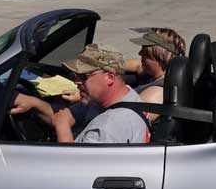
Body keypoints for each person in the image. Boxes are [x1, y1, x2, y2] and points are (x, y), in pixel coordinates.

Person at [11, 44, 149, 144]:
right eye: (76, 75)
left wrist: (62, 128)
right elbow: (62, 116)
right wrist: (34, 103)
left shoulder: (108, 129)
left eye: (83, 77)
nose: (76, 82)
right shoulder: (121, 96)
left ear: (110, 77)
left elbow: (76, 173)